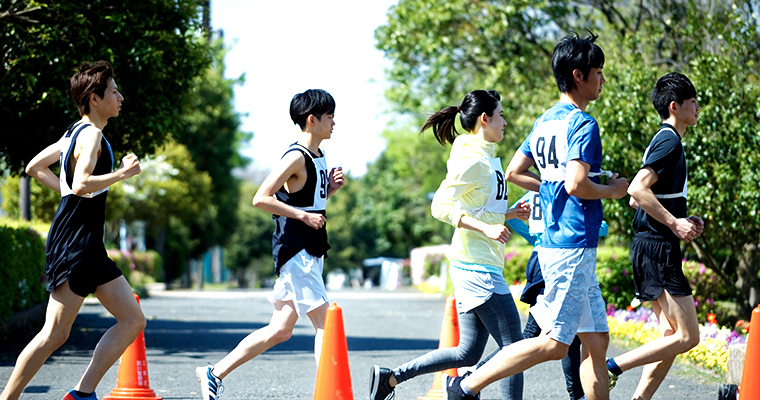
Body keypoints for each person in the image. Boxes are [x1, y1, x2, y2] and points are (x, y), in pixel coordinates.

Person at [441, 32, 629, 400]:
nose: (603, 80)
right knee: (555, 345)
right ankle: (465, 385)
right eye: (599, 72)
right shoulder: (583, 123)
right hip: (572, 244)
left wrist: (549, 186)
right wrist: (613, 190)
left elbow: (514, 172)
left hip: (564, 245)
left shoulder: (545, 121)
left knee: (596, 341)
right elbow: (576, 184)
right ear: (579, 75)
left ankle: (466, 384)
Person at [369, 89, 530, 400]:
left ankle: (390, 379)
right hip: (477, 268)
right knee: (516, 350)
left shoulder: (485, 156)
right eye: (500, 116)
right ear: (485, 119)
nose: (505, 123)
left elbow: (478, 206)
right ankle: (461, 387)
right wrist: (486, 226)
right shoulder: (471, 159)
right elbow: (440, 206)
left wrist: (509, 214)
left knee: (467, 353)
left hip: (478, 263)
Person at [1, 61, 145, 400]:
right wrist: (122, 175)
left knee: (133, 319)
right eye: (113, 92)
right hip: (76, 244)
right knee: (54, 333)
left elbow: (36, 167)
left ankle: (82, 394)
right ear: (94, 99)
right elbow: (80, 184)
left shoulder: (73, 133)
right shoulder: (91, 134)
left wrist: (68, 192)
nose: (120, 97)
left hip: (87, 242)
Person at [195, 89, 345, 400]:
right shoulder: (295, 156)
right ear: (312, 120)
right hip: (296, 250)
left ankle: (214, 373)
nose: (334, 122)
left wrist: (327, 190)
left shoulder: (319, 155)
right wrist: (303, 217)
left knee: (280, 330)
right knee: (325, 324)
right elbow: (261, 198)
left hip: (310, 247)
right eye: (329, 116)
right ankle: (331, 393)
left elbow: (304, 202)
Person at [604, 72, 703, 400]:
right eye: (692, 101)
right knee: (688, 338)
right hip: (658, 246)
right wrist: (675, 223)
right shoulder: (669, 140)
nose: (698, 107)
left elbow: (638, 199)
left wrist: (681, 216)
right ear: (675, 107)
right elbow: (636, 189)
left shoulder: (664, 139)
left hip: (650, 244)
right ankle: (612, 366)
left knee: (669, 335)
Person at [508, 191, 609, 400]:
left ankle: (577, 395)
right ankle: (475, 377)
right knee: (533, 335)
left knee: (569, 334)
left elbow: (515, 217)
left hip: (541, 256)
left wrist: (536, 238)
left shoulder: (533, 191)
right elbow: (601, 228)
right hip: (560, 259)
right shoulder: (565, 188)